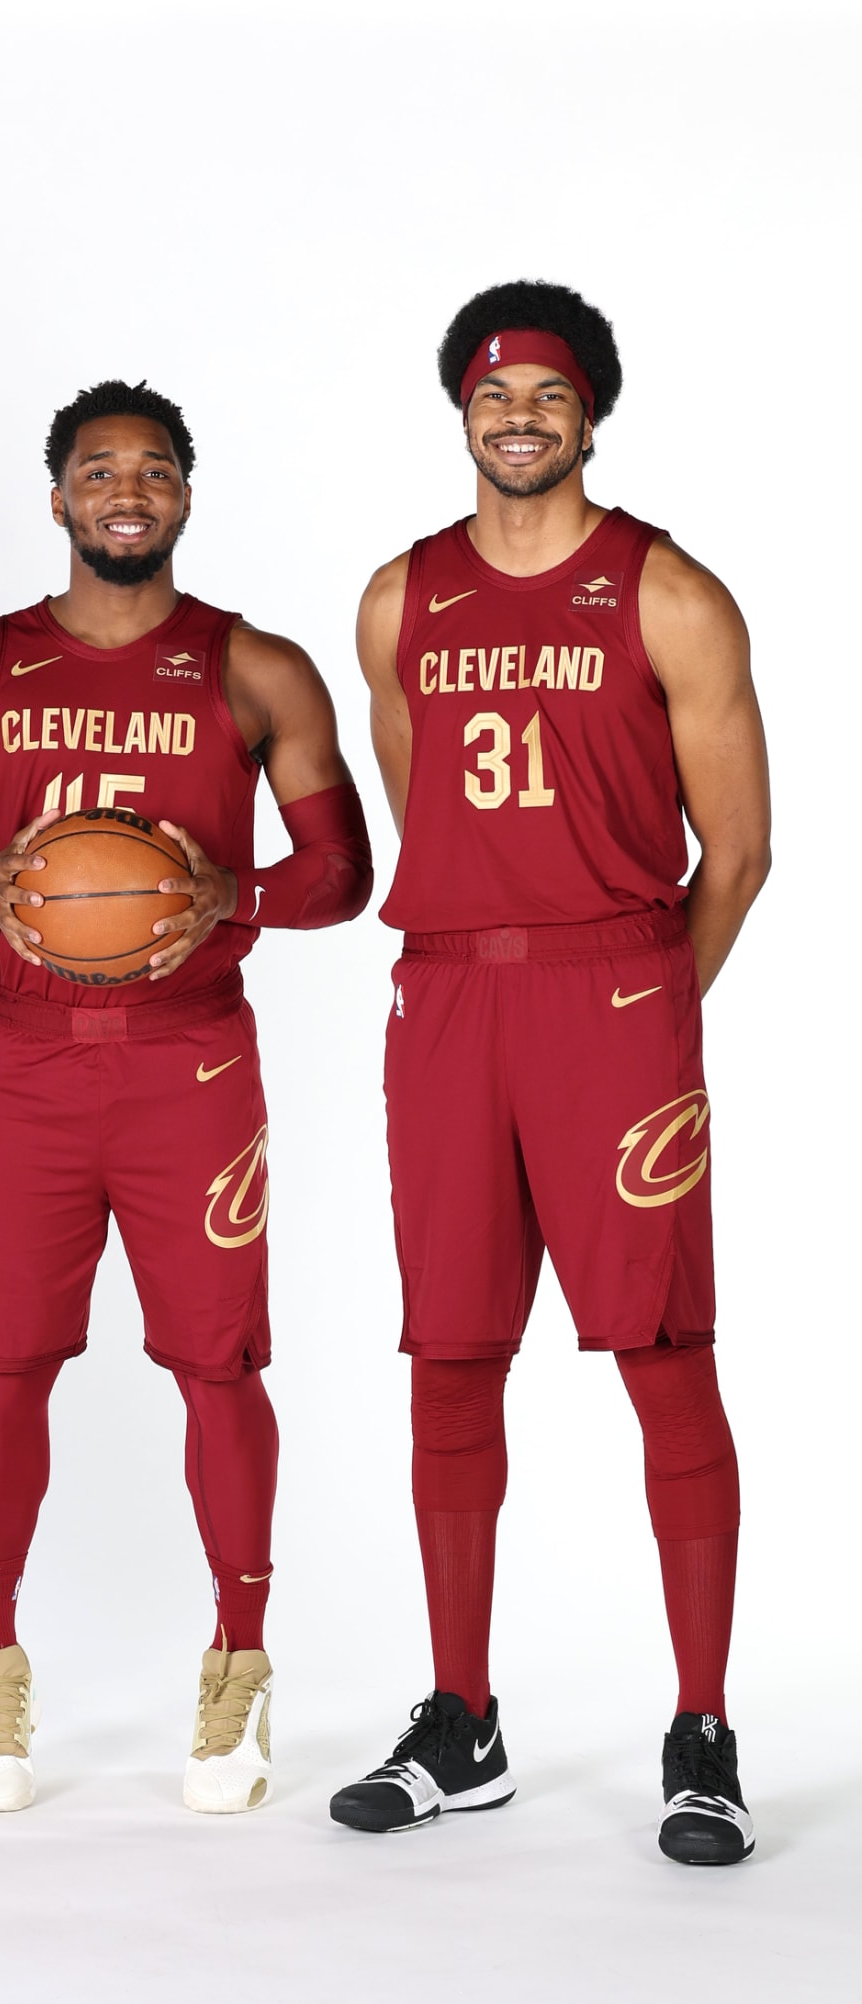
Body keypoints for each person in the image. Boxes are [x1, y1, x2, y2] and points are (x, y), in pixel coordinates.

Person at [329, 281, 771, 1866]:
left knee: (665, 1353)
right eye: (496, 392)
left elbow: (745, 849)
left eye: (550, 394)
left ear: (591, 410)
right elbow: (422, 809)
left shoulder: (670, 595)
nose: (521, 415)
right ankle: (464, 1719)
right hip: (448, 998)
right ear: (461, 407)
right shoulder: (397, 600)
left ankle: (704, 1730)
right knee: (448, 1357)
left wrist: (647, 1011)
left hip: (614, 993)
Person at [0, 381, 372, 1814]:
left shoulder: (256, 668)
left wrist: (237, 892)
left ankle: (238, 1672)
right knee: (11, 1363)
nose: (126, 492)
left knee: (221, 1363)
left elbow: (347, 877)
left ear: (185, 496)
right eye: (98, 471)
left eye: (153, 471)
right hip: (25, 1052)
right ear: (56, 499)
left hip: (191, 1053)